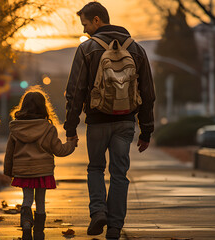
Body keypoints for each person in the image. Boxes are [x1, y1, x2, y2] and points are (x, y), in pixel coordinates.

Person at [64, 2, 155, 239]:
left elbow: (75, 91)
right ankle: (114, 226)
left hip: (96, 121)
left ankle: (98, 213)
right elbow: (148, 93)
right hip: (125, 122)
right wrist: (146, 131)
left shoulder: (87, 49)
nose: (84, 29)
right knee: (119, 173)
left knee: (95, 168)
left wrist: (70, 127)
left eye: (85, 23)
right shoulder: (137, 49)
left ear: (97, 20)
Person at [4, 86, 78, 240]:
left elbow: (9, 153)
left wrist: (9, 171)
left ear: (23, 106)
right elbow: (59, 150)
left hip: (23, 171)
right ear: (43, 107)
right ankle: (39, 232)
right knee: (40, 202)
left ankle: (25, 222)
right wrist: (71, 143)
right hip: (43, 171)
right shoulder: (48, 128)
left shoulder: (16, 128)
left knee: (27, 199)